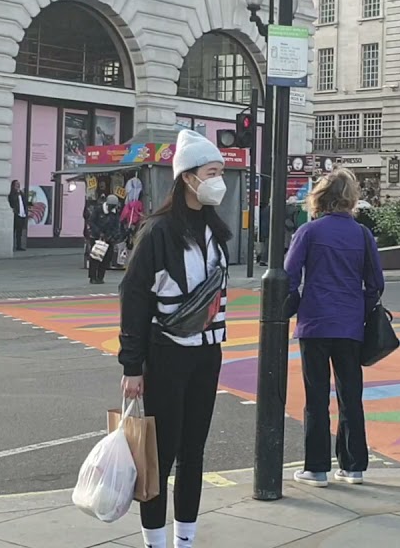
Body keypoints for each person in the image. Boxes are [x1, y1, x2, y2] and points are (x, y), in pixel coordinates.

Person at [118, 130, 230, 548]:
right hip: (166, 354)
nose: (219, 180)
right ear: (188, 177)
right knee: (160, 455)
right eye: (212, 172)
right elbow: (133, 296)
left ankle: (185, 537)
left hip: (207, 354)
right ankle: (156, 540)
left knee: (194, 452)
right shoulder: (158, 231)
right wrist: (132, 365)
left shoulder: (214, 231)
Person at [285, 168, 385, 488]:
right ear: (351, 199)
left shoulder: (310, 232)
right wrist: (362, 308)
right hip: (350, 325)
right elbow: (375, 284)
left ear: (321, 198)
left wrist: (295, 304)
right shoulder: (362, 235)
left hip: (315, 323)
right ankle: (353, 465)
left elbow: (289, 276)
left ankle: (316, 468)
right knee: (350, 396)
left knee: (316, 397)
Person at [87, 195, 125, 284]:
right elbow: (92, 222)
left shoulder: (115, 213)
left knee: (106, 259)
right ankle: (93, 277)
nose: (112, 207)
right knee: (95, 258)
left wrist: (113, 235)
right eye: (111, 206)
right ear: (107, 204)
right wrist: (98, 233)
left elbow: (117, 225)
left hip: (108, 239)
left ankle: (100, 277)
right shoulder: (98, 210)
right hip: (97, 238)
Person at [9, 180, 28, 251]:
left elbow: (25, 202)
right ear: (13, 185)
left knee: (19, 231)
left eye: (19, 184)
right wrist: (16, 193)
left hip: (22, 214)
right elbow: (12, 200)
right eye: (16, 184)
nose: (18, 185)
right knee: (13, 230)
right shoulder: (12, 193)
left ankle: (19, 246)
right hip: (16, 214)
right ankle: (11, 245)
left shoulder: (21, 193)